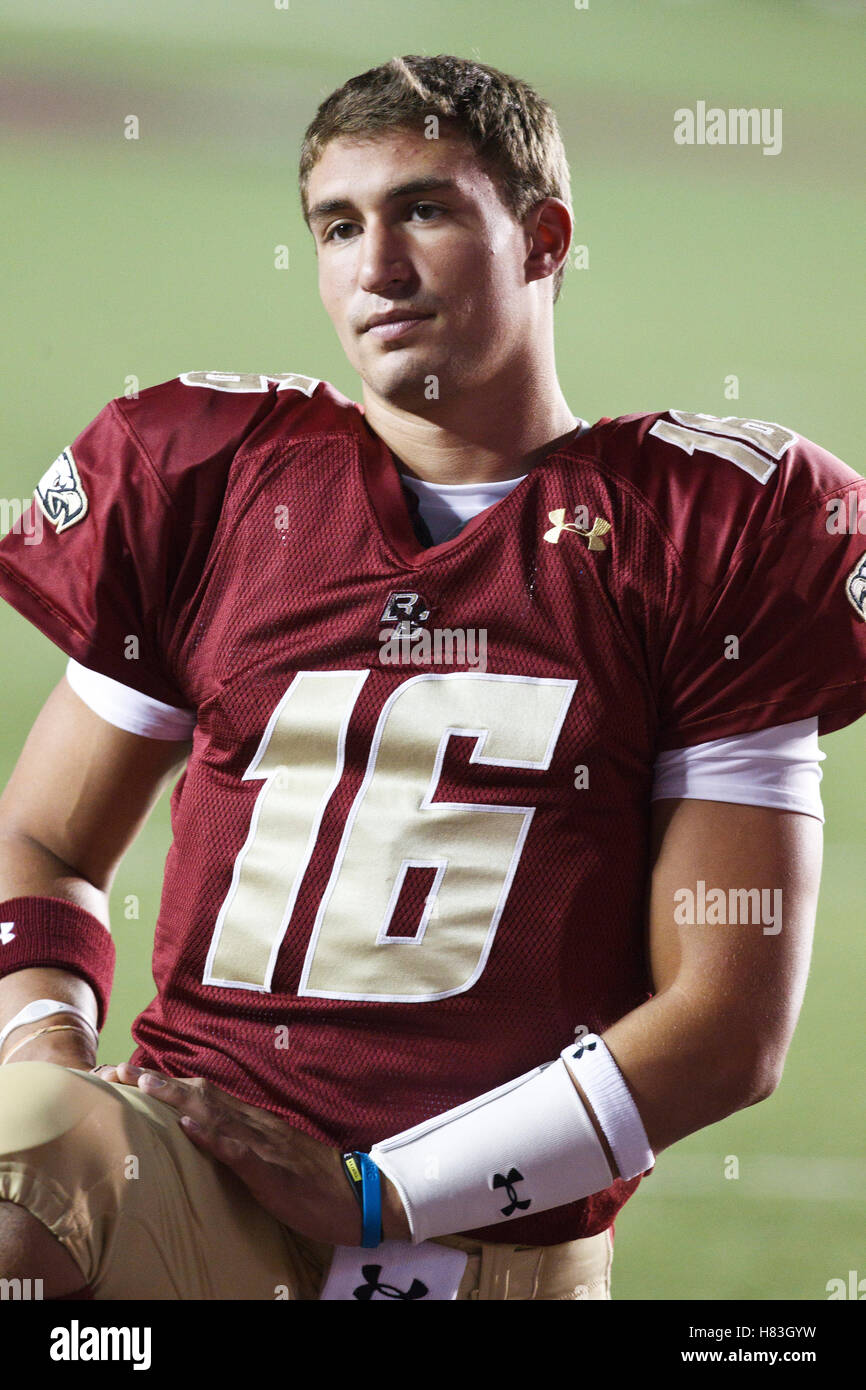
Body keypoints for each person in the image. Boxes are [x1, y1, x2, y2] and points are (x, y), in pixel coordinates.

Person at [0, 53, 863, 1302]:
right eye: (337, 225)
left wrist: (378, 1191)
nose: (375, 266)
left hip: (482, 1241)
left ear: (544, 236)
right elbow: (43, 837)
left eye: (423, 209)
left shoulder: (704, 531)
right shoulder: (210, 484)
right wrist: (54, 1061)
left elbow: (729, 1025)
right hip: (189, 1180)